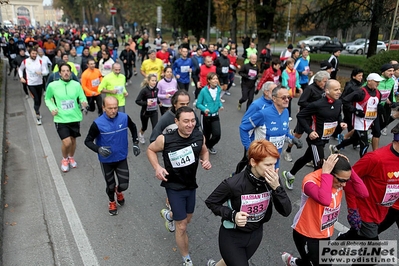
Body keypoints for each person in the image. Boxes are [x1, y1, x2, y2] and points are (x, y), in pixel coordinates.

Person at [206, 139, 291, 266]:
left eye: (274, 164)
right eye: (267, 165)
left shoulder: (273, 180)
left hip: (256, 235)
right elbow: (211, 202)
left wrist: (277, 188)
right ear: (253, 162)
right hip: (233, 237)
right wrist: (232, 215)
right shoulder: (233, 184)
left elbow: (286, 211)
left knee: (232, 261)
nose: (272, 169)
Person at [147, 106, 212, 266]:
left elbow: (204, 151)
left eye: (192, 121)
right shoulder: (165, 139)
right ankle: (186, 258)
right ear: (176, 122)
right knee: (181, 226)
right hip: (173, 186)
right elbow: (150, 149)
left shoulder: (198, 136)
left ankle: (169, 215)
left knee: (187, 219)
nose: (190, 124)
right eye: (185, 121)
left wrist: (206, 159)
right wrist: (157, 167)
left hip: (191, 185)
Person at [281, 154, 368, 266]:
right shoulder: (310, 180)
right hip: (307, 233)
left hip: (324, 232)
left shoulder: (339, 182)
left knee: (316, 262)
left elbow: (363, 193)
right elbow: (325, 200)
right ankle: (295, 262)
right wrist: (326, 174)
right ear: (330, 172)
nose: (344, 184)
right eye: (342, 180)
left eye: (347, 180)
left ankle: (295, 262)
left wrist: (349, 170)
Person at [335, 123, 399, 266]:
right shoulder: (375, 158)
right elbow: (349, 180)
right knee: (373, 255)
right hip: (366, 212)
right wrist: (353, 210)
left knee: (357, 236)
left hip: (385, 211)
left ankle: (316, 258)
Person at [282, 80, 347, 190]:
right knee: (320, 166)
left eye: (340, 89)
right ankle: (314, 192)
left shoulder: (338, 102)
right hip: (315, 140)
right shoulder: (317, 104)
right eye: (336, 89)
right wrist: (309, 131)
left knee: (306, 158)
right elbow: (300, 116)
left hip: (325, 139)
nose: (339, 92)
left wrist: (341, 122)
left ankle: (290, 174)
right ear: (327, 90)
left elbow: (338, 115)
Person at [84, 96, 140, 215]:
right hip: (106, 161)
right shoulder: (97, 123)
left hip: (121, 157)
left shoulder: (124, 117)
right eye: (110, 108)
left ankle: (119, 192)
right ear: (104, 108)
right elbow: (87, 141)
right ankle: (111, 201)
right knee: (110, 186)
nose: (113, 111)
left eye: (115, 108)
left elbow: (133, 127)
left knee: (124, 185)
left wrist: (135, 143)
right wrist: (98, 149)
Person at [239, 86, 302, 168]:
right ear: (274, 99)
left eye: (288, 97)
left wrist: (293, 139)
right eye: (283, 98)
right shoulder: (263, 114)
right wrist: (249, 148)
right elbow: (243, 128)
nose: (287, 100)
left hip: (275, 159)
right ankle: (235, 176)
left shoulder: (286, 112)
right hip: (261, 160)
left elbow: (284, 132)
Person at [45, 63, 88, 172]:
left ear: (71, 72)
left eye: (68, 71)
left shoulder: (76, 85)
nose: (66, 73)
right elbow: (47, 98)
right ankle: (64, 159)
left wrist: (84, 103)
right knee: (67, 142)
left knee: (73, 141)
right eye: (63, 71)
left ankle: (71, 157)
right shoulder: (53, 85)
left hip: (74, 117)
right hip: (61, 118)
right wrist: (52, 108)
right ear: (59, 73)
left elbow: (82, 97)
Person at [330, 73, 382, 158]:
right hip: (360, 121)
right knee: (364, 144)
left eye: (378, 82)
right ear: (369, 81)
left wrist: (379, 108)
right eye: (376, 81)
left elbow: (375, 104)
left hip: (371, 119)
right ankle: (364, 166)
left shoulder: (378, 93)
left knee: (356, 138)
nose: (378, 83)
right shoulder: (360, 92)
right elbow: (344, 100)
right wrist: (355, 111)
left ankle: (335, 147)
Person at [282, 71, 330, 162]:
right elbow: (301, 102)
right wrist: (314, 106)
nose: (325, 83)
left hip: (316, 118)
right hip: (305, 116)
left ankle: (313, 157)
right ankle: (287, 151)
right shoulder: (310, 88)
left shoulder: (324, 89)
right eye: (324, 81)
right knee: (298, 135)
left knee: (315, 137)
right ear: (318, 81)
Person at [18, 47, 49, 125]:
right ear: (29, 54)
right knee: (36, 99)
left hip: (39, 83)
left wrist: (41, 73)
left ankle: (37, 111)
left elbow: (46, 71)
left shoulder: (40, 61)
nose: (34, 55)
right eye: (33, 53)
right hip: (31, 84)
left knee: (39, 99)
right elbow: (20, 69)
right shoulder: (25, 61)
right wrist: (21, 77)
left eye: (36, 53)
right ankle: (38, 116)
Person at [196, 72, 224, 154]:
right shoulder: (204, 91)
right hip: (205, 116)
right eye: (213, 79)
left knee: (217, 135)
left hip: (215, 115)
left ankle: (207, 146)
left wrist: (220, 105)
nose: (216, 80)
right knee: (206, 135)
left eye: (216, 78)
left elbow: (218, 100)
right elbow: (198, 104)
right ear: (209, 80)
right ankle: (205, 148)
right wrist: (204, 109)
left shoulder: (218, 89)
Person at [135, 74, 159, 144]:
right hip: (145, 112)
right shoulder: (144, 91)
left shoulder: (156, 89)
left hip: (154, 111)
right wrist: (146, 103)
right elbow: (137, 101)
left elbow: (156, 98)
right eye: (152, 80)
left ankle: (154, 142)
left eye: (155, 81)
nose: (154, 82)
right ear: (148, 81)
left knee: (155, 127)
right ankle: (141, 133)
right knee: (144, 127)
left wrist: (159, 102)